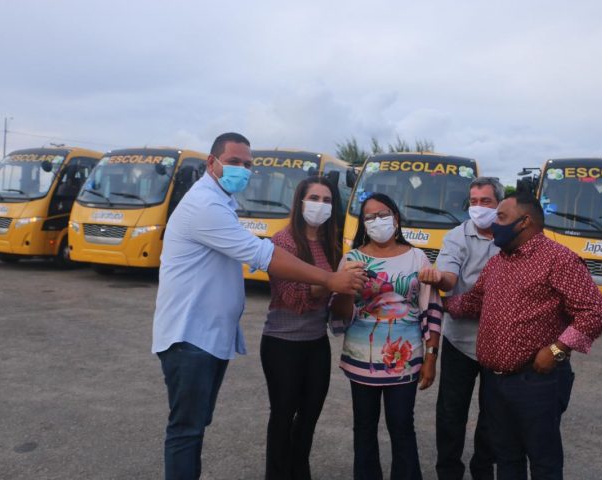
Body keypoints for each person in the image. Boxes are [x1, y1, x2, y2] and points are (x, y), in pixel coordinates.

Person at [151, 132, 366, 480]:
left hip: (207, 337)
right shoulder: (204, 206)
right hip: (189, 336)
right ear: (211, 163)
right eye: (234, 162)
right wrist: (330, 280)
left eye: (248, 164)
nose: (243, 170)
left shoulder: (222, 203)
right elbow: (263, 255)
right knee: (186, 430)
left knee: (195, 425)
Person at [430, 192, 602, 480]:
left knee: (543, 460)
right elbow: (473, 302)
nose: (494, 224)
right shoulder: (498, 262)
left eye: (501, 217)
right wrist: (434, 301)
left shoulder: (558, 260)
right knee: (506, 457)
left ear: (524, 222)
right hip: (496, 382)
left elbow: (595, 312)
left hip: (536, 381)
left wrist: (557, 350)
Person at [330, 192, 443, 480]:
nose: (377, 221)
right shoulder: (352, 259)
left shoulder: (417, 257)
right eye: (370, 216)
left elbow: (431, 308)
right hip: (362, 358)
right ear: (363, 222)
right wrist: (346, 286)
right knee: (364, 426)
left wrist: (431, 357)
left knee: (402, 425)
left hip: (405, 359)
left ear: (396, 218)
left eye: (383, 214)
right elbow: (340, 312)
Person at [262, 176, 347, 480]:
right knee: (283, 414)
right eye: (314, 198)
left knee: (310, 416)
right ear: (300, 202)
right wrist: (332, 282)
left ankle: (300, 470)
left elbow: (335, 298)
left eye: (327, 200)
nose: (320, 205)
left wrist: (346, 287)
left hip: (316, 342)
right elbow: (292, 295)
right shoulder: (282, 242)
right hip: (282, 343)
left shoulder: (330, 245)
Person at [419, 177, 503, 480]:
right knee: (451, 412)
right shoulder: (457, 236)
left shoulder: (510, 236)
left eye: (486, 201)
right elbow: (449, 277)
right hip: (460, 340)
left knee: (494, 414)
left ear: (499, 204)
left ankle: (483, 470)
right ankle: (448, 471)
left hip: (500, 342)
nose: (478, 208)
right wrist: (438, 278)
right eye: (473, 201)